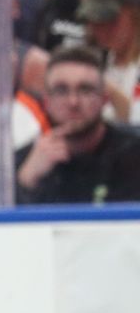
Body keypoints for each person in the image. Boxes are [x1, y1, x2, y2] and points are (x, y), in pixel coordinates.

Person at [15, 44, 140, 205]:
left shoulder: (134, 154)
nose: (73, 102)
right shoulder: (23, 162)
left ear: (104, 99)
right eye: (61, 90)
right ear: (46, 102)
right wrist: (26, 180)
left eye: (85, 90)